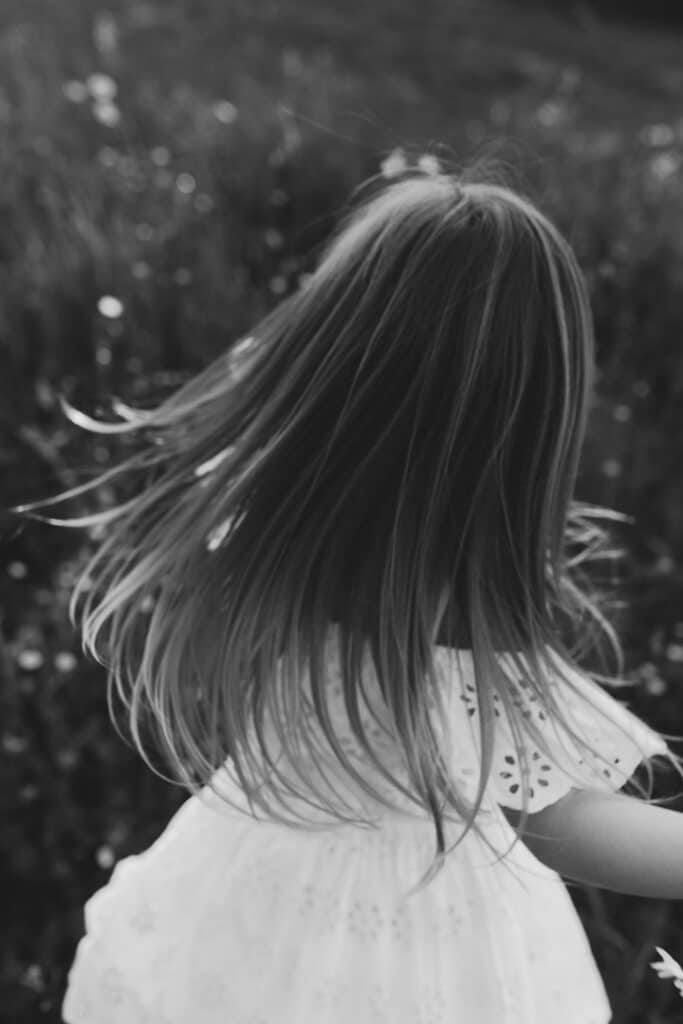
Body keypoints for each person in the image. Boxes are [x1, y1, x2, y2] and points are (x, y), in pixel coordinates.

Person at [17, 159, 683, 1022]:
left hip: (235, 912)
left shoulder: (262, 521)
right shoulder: (462, 630)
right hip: (426, 967)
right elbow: (547, 820)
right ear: (530, 430)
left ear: (326, 360)